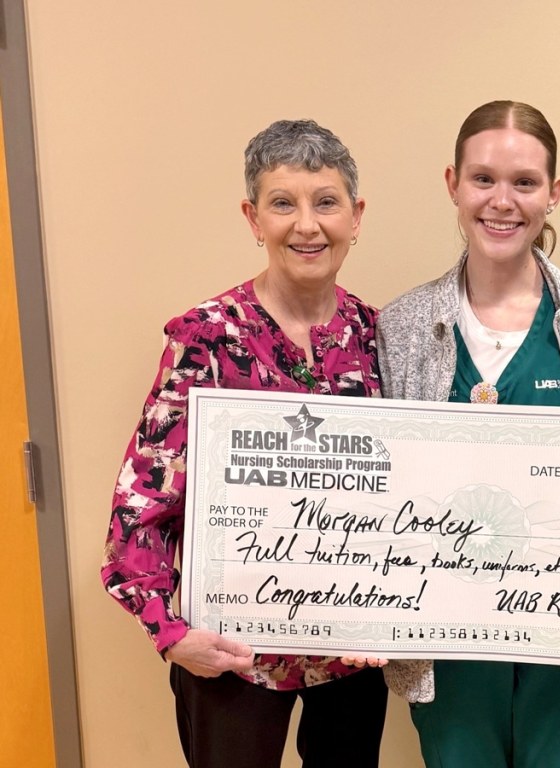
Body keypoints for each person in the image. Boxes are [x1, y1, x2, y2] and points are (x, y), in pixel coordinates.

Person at [101, 119, 389, 768]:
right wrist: (170, 634)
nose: (307, 225)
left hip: (348, 651)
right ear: (253, 218)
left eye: (326, 201)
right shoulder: (204, 338)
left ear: (356, 215)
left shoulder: (373, 333)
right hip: (231, 651)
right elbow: (140, 502)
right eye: (283, 203)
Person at [377, 100, 560, 768]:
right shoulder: (403, 326)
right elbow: (381, 487)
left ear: (553, 194)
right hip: (448, 636)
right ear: (452, 185)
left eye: (524, 183)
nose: (502, 201)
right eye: (483, 179)